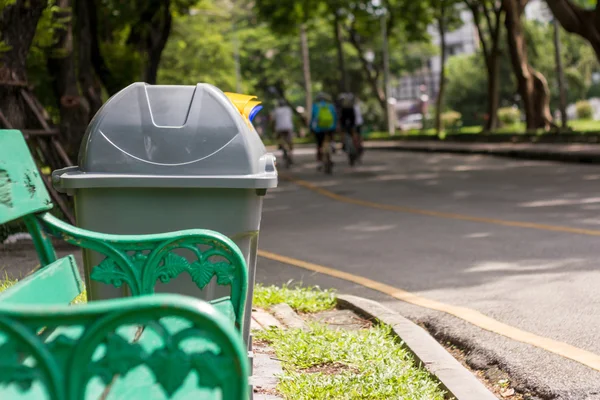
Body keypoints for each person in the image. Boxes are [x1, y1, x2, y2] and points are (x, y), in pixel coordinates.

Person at [311, 93, 337, 170]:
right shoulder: (330, 106)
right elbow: (334, 117)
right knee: (330, 140)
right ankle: (332, 145)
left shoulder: (315, 106)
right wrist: (335, 127)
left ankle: (319, 162)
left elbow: (313, 118)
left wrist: (311, 128)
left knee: (319, 145)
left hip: (319, 128)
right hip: (330, 127)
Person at [272, 99, 294, 167]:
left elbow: (273, 120)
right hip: (288, 127)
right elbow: (290, 118)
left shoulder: (276, 110)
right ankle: (290, 154)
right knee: (289, 142)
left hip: (279, 128)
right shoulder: (288, 109)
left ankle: (282, 148)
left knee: (280, 140)